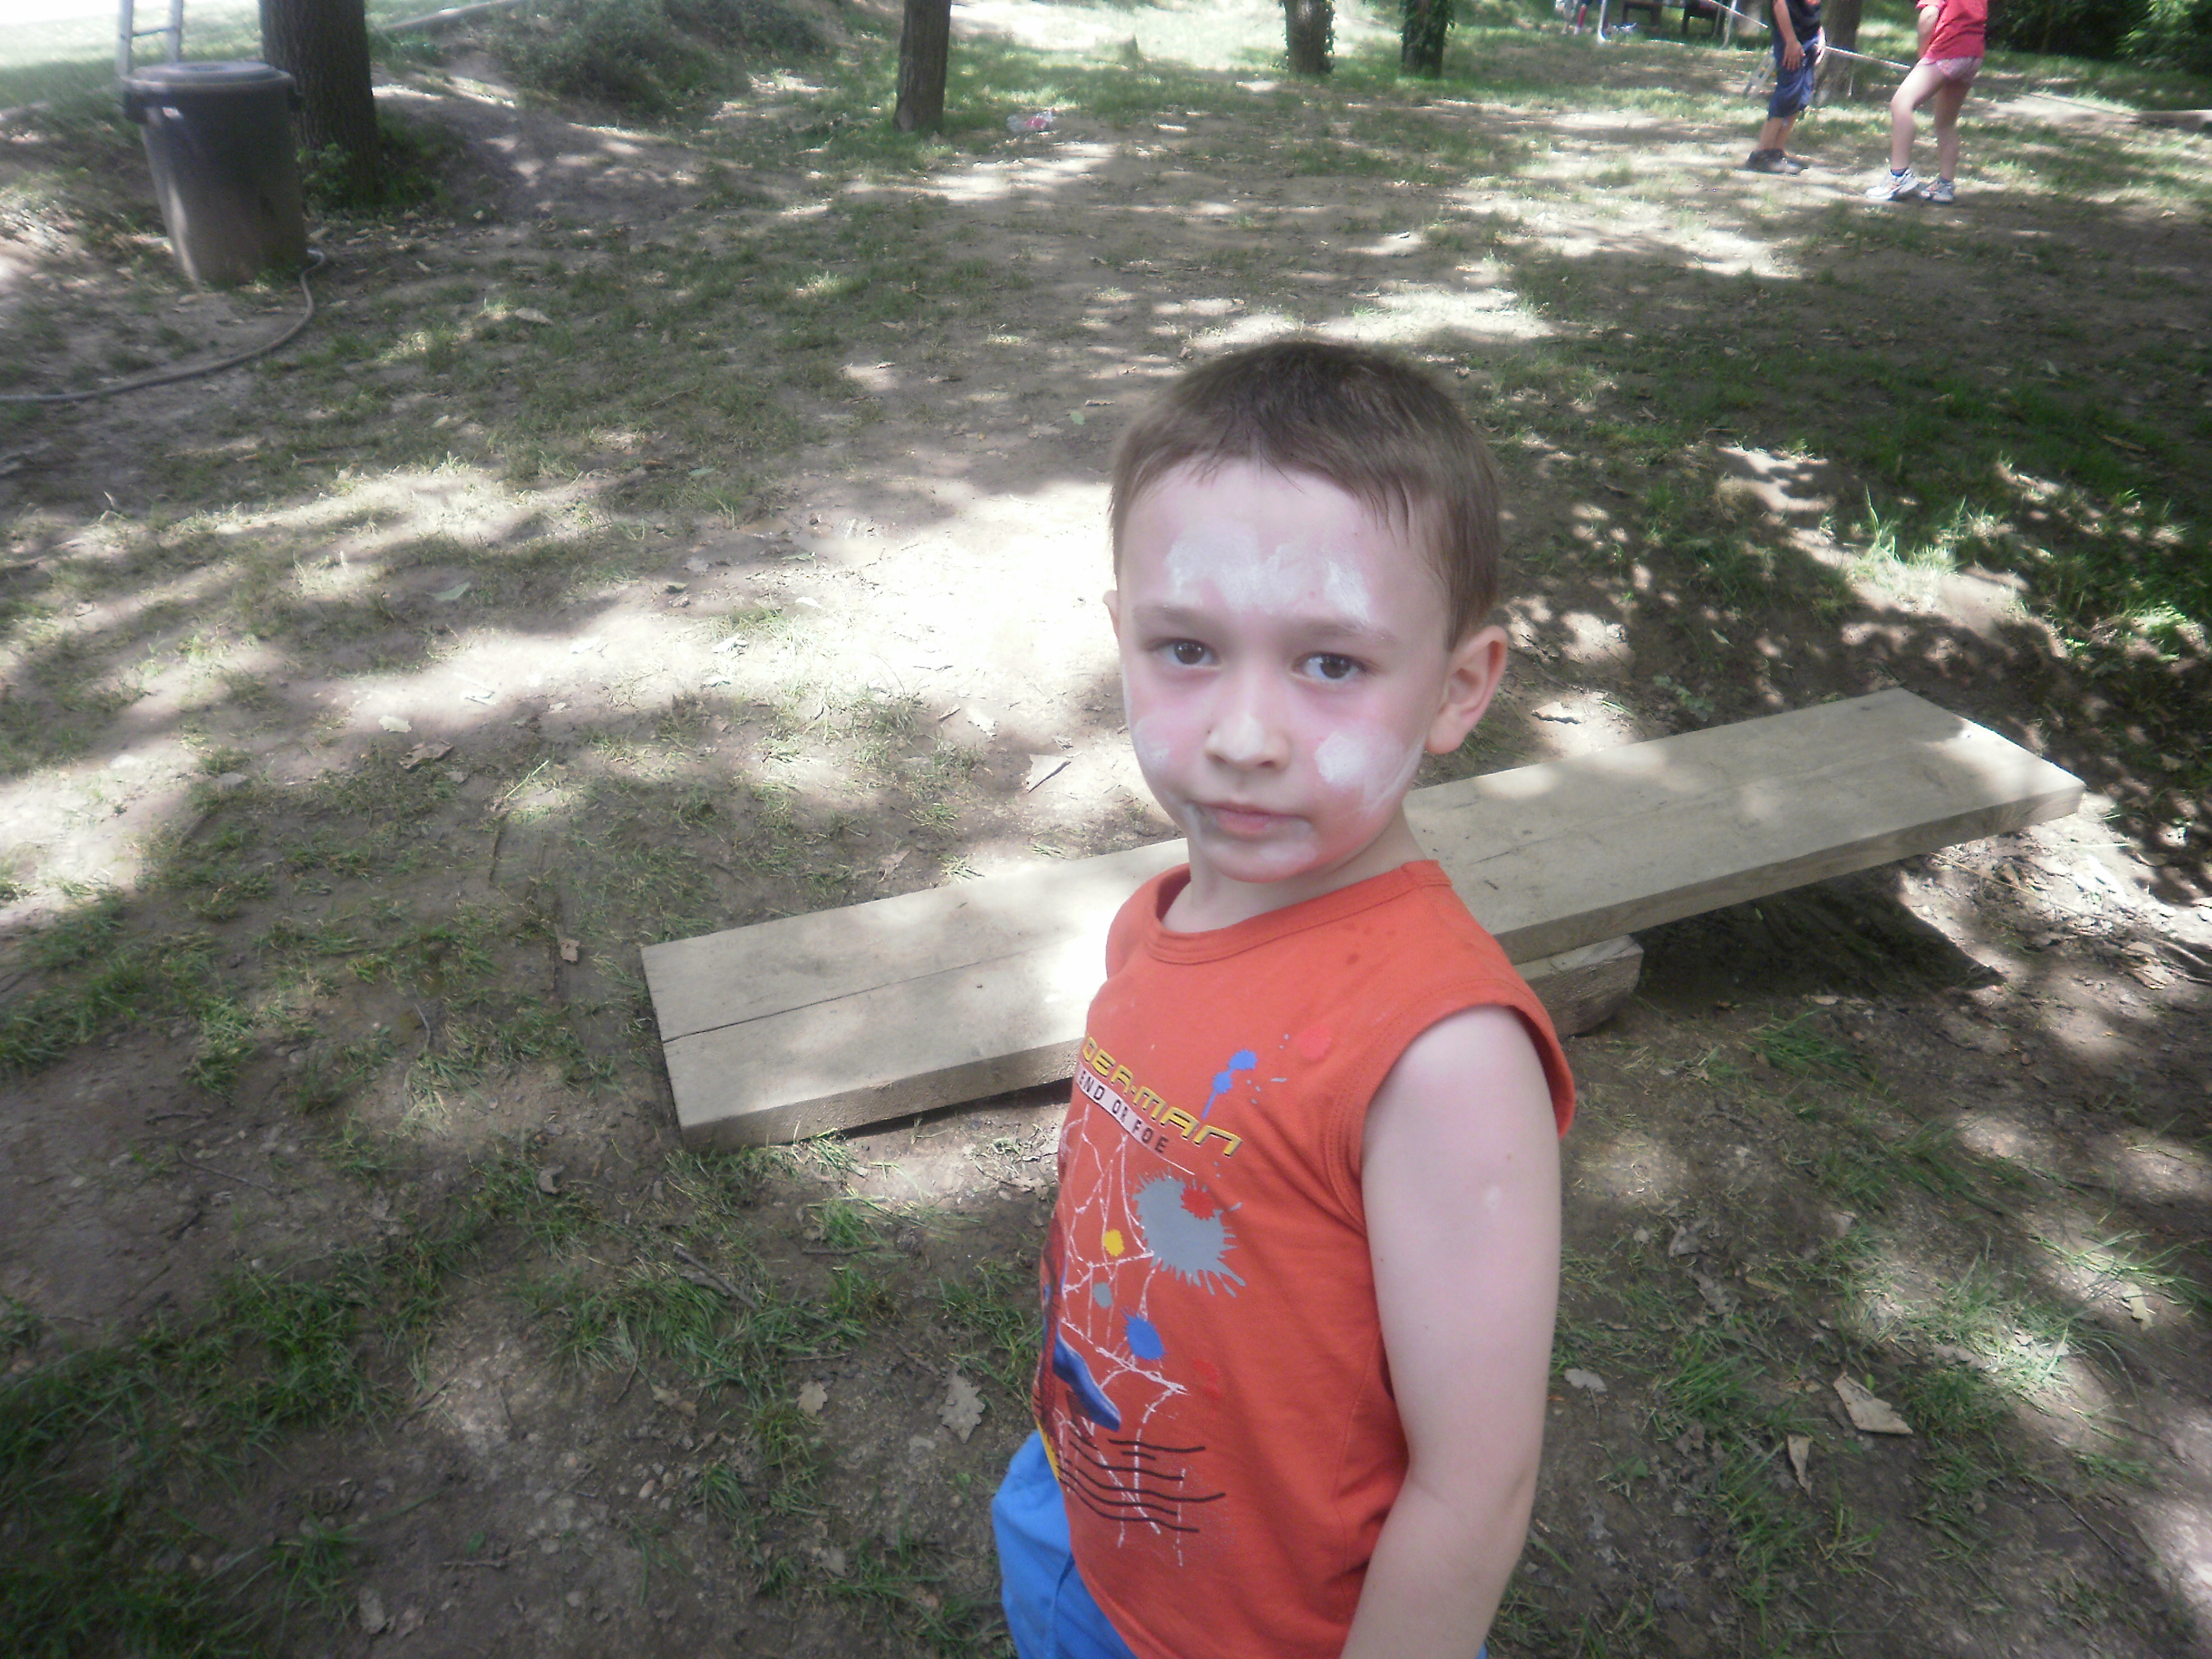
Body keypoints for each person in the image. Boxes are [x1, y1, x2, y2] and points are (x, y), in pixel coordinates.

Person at [990, 339, 1578, 1659]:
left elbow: (1472, 1489)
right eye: (1187, 649)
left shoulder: (1441, 1059)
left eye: (1329, 666)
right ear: (1121, 639)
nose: (1242, 736)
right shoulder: (1159, 916)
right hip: (1078, 1505)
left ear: (1457, 688)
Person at [1866, 0, 1988, 203]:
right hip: (1973, 54)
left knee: (1901, 104)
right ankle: (1945, 186)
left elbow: (1929, 15)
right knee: (1946, 122)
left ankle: (1899, 176)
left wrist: (1923, 53)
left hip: (1948, 50)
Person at [1747, 0, 1825, 174]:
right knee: (1788, 93)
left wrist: (1820, 33)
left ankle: (1777, 151)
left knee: (1802, 95)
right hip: (1790, 36)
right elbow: (1779, 3)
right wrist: (1790, 40)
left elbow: (1814, 5)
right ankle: (1762, 153)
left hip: (1810, 36)